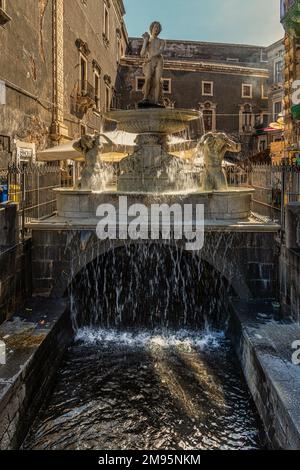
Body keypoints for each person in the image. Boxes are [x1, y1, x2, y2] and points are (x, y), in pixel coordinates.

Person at [140, 21, 166, 105]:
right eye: (155, 27)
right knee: (148, 79)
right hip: (150, 62)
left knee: (158, 81)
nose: (156, 29)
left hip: (159, 60)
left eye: (158, 28)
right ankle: (145, 98)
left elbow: (160, 50)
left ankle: (156, 101)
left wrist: (151, 56)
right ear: (151, 28)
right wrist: (145, 41)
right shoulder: (148, 41)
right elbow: (142, 54)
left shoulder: (162, 41)